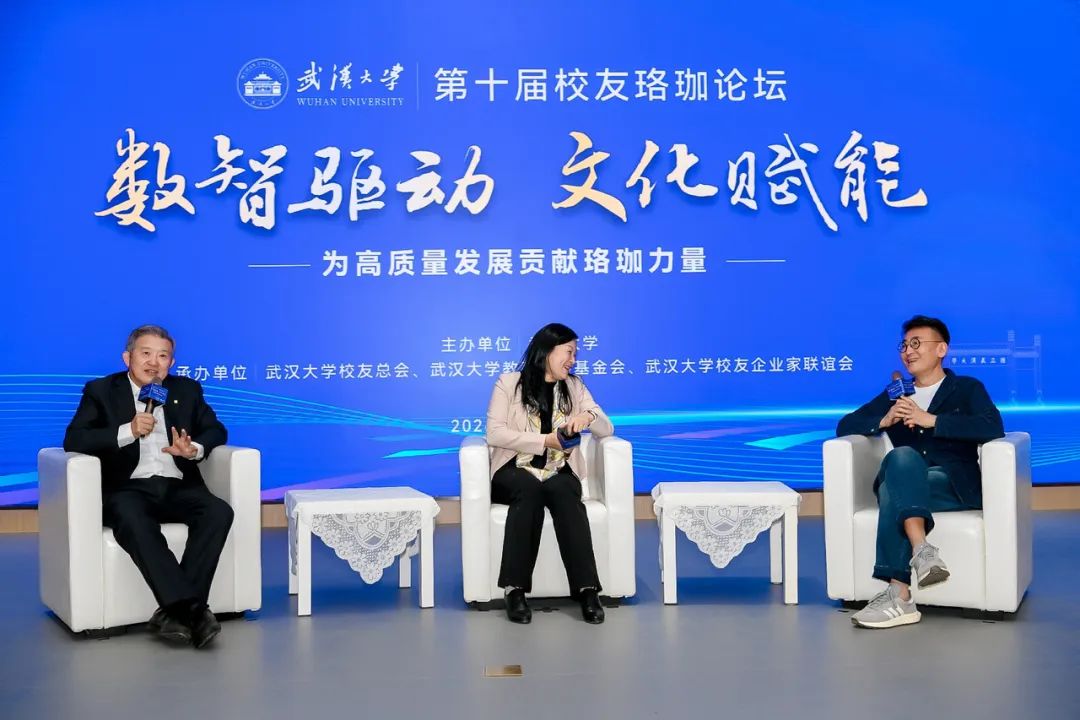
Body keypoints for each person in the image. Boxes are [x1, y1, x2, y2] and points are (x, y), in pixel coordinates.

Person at [63, 325, 233, 648]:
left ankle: (175, 612)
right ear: (127, 358)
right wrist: (127, 430)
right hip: (127, 489)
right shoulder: (101, 390)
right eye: (146, 354)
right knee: (132, 518)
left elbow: (216, 430)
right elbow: (75, 439)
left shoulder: (187, 390)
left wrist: (193, 449)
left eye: (163, 356)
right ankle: (193, 610)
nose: (154, 363)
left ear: (171, 362)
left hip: (177, 485)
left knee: (218, 512)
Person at [837, 315, 1004, 629]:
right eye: (904, 345)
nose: (908, 351)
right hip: (910, 484)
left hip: (953, 485)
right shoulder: (896, 393)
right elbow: (845, 425)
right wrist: (884, 420)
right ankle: (921, 553)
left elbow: (992, 427)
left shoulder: (966, 388)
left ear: (941, 349)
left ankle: (898, 593)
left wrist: (933, 421)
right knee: (901, 460)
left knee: (891, 489)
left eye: (916, 344)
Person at [485, 323, 614, 624]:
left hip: (558, 469)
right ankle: (515, 590)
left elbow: (607, 428)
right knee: (528, 489)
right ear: (547, 351)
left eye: (575, 354)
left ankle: (587, 590)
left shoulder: (575, 387)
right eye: (568, 352)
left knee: (566, 491)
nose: (573, 360)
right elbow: (495, 433)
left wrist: (588, 416)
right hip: (513, 469)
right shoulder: (509, 383)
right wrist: (545, 441)